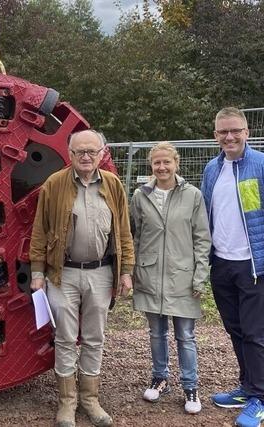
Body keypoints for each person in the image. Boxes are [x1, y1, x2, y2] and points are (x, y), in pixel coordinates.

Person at [29, 129, 134, 427]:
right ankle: (67, 403)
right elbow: (39, 230)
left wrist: (126, 270)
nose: (86, 157)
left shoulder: (113, 185)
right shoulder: (54, 184)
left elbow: (124, 231)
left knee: (94, 337)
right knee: (64, 337)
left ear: (102, 153)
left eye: (92, 151)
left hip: (101, 273)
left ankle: (90, 399)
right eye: (80, 152)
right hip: (63, 274)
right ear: (70, 154)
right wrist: (37, 272)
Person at [129, 142, 211, 414]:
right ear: (151, 166)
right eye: (156, 163)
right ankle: (159, 377)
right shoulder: (141, 196)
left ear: (176, 163)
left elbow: (202, 238)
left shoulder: (193, 195)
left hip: (182, 276)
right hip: (150, 274)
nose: (162, 167)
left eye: (167, 162)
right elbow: (135, 236)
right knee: (156, 332)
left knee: (185, 335)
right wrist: (134, 271)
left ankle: (190, 385)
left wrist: (200, 276)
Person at [201, 107, 264, 427]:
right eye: (223, 132)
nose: (229, 137)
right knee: (236, 329)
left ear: (246, 132)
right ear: (215, 136)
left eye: (235, 130)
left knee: (255, 333)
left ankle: (260, 397)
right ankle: (246, 387)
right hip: (222, 264)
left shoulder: (260, 165)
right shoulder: (212, 169)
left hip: (253, 266)